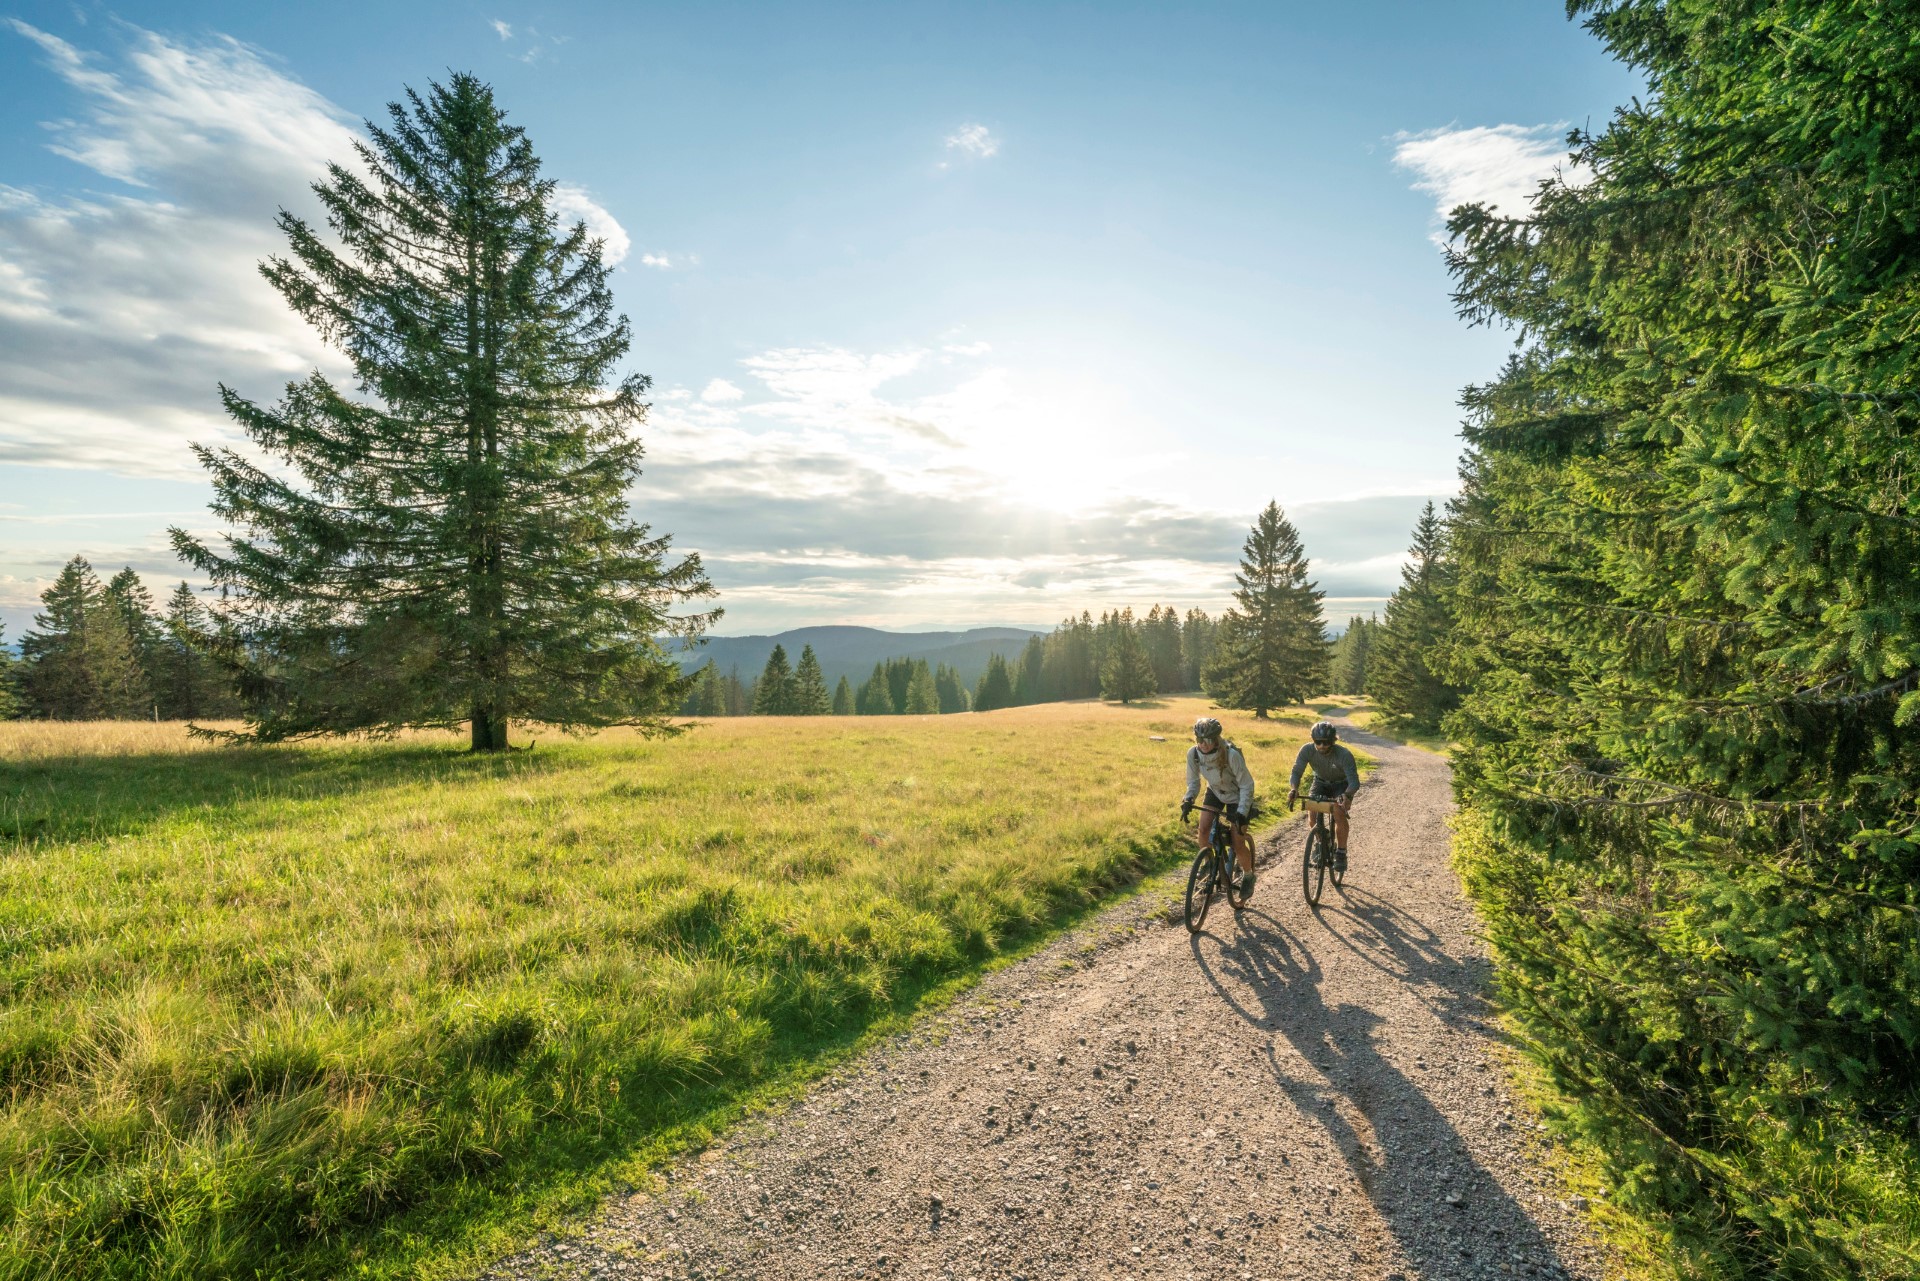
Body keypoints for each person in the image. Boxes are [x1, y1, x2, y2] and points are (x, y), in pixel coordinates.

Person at [1180, 716, 1257, 894]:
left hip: (1237, 796)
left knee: (1238, 843)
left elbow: (1247, 785)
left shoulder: (1231, 755)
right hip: (1215, 792)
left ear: (1216, 740)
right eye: (1199, 740)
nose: (1203, 744)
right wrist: (1188, 799)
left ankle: (1248, 875)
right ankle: (1208, 863)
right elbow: (1193, 782)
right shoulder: (1193, 754)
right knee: (1204, 829)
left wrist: (1242, 812)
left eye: (1207, 740)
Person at [1288, 720, 1360, 872]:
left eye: (1326, 742)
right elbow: (1296, 772)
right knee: (1312, 814)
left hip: (1341, 785)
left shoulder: (1344, 755)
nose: (1321, 746)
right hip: (1320, 782)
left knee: (1338, 812)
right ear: (1313, 740)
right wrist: (1294, 789)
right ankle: (1322, 841)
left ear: (1333, 741)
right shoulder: (1307, 750)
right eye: (1318, 742)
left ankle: (1341, 853)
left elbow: (1354, 782)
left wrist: (1346, 795)